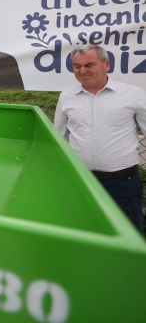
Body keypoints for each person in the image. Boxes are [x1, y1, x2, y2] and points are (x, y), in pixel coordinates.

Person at [54, 45, 145, 235]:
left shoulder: (134, 95)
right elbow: (58, 138)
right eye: (77, 66)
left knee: (128, 234)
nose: (82, 71)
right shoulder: (67, 97)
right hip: (81, 182)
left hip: (123, 183)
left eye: (89, 65)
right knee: (83, 232)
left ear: (107, 64)